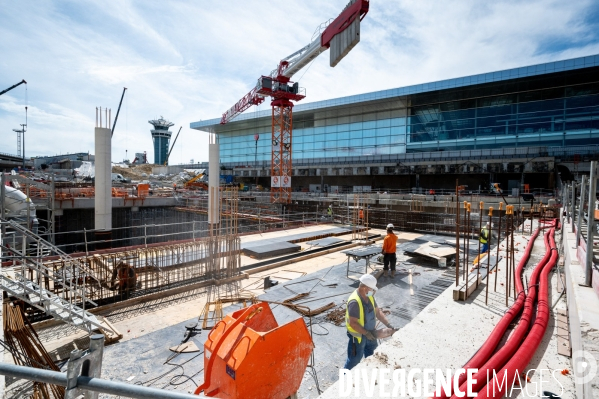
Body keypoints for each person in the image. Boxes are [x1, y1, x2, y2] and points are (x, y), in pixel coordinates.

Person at [344, 274, 394, 370]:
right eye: (372, 289)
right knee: (354, 360)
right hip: (358, 337)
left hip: (371, 333)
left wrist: (388, 324)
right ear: (365, 288)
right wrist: (365, 333)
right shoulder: (355, 302)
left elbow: (377, 312)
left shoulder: (369, 296)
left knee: (372, 355)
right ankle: (345, 380)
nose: (373, 291)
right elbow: (353, 323)